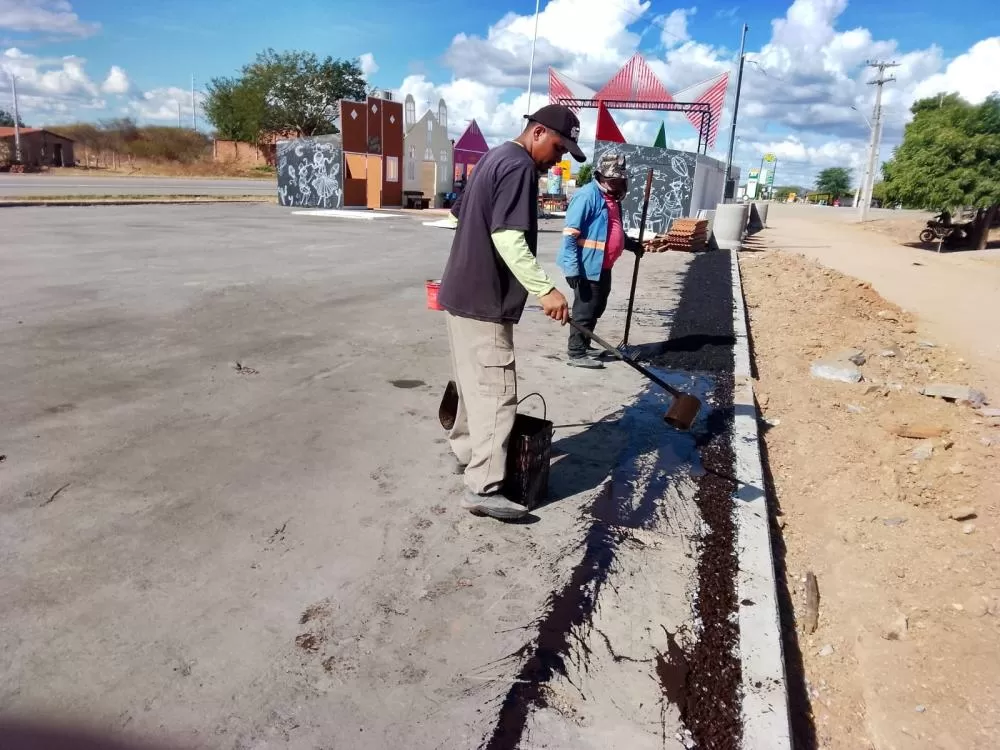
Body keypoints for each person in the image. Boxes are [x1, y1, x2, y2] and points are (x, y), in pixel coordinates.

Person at [437, 104, 586, 520]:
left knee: (473, 386)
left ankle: (468, 454)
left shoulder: (493, 157)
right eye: (558, 147)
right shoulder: (519, 166)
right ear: (538, 132)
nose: (558, 158)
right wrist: (545, 289)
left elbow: (457, 213)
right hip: (484, 301)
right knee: (497, 394)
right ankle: (482, 486)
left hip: (460, 296)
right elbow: (507, 239)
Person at [557, 150, 644, 368]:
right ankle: (576, 352)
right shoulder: (587, 196)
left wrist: (631, 245)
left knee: (597, 307)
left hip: (603, 265)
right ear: (602, 177)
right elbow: (570, 235)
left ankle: (585, 344)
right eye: (614, 180)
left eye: (620, 180)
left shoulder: (612, 199)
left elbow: (614, 230)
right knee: (584, 310)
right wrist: (572, 269)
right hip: (586, 266)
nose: (618, 184)